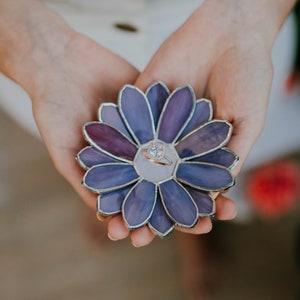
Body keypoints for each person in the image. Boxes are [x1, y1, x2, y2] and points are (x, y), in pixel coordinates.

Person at [0, 0, 296, 247]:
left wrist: (247, 16)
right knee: (82, 152)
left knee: (226, 152)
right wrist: (26, 44)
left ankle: (179, 207)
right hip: (50, 40)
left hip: (220, 26)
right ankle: (118, 190)